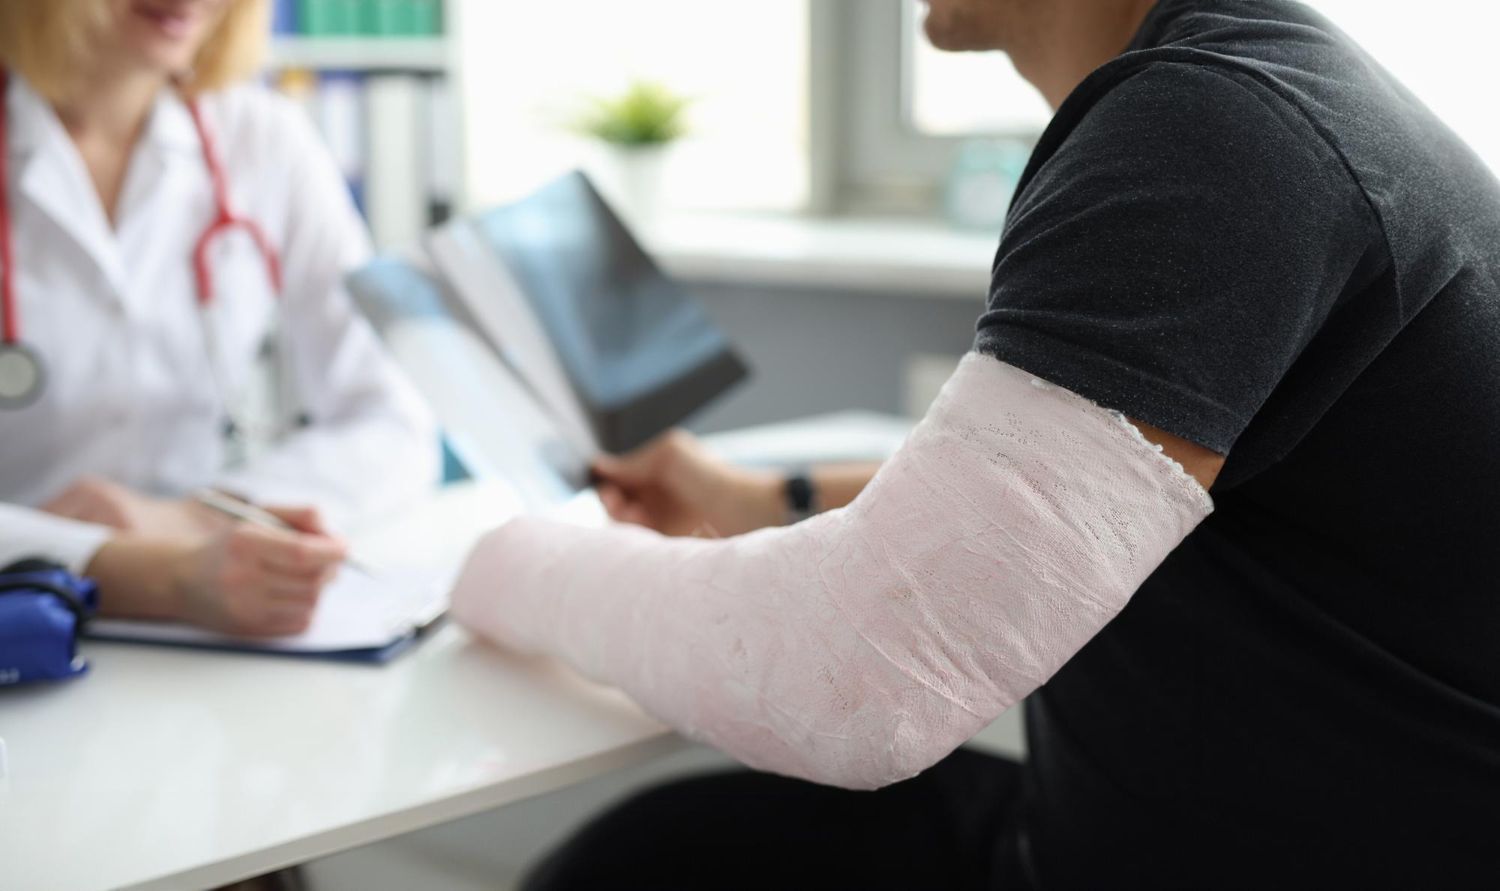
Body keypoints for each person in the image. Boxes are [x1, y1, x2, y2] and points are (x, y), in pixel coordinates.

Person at [450, 0, 1500, 888]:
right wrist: (748, 495)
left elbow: (849, 684)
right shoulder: (1280, 95)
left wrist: (498, 565)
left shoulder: (1212, 128)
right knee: (648, 856)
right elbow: (1067, 498)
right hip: (1127, 835)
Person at [0, 0, 439, 637]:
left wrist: (197, 518)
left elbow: (393, 422)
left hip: (216, 620)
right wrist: (148, 571)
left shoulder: (264, 139)